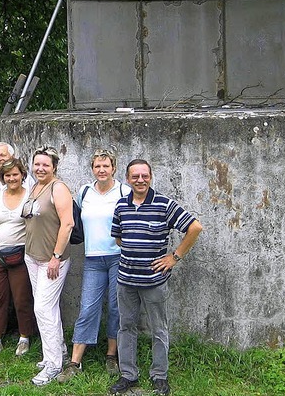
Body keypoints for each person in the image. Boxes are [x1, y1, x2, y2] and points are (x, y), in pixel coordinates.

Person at [109, 159, 203, 396]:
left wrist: (174, 257)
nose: (140, 180)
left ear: (150, 177)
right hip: (126, 280)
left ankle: (159, 375)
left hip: (154, 281)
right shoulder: (121, 205)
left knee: (158, 329)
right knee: (126, 326)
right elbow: (119, 238)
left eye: (144, 176)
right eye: (135, 176)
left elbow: (195, 227)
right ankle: (128, 375)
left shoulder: (164, 204)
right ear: (128, 179)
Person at [58, 149, 131, 383]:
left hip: (118, 257)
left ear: (114, 168)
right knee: (88, 307)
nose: (101, 170)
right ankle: (74, 362)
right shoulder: (85, 192)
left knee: (115, 308)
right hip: (92, 259)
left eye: (106, 166)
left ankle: (112, 355)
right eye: (97, 166)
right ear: (92, 169)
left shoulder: (124, 191)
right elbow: (73, 216)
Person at [23, 145, 74, 386]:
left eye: (46, 164)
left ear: (54, 167)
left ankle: (53, 366)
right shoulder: (35, 187)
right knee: (46, 309)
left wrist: (56, 256)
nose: (40, 168)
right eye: (37, 164)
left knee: (43, 309)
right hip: (32, 257)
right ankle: (57, 352)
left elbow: (67, 224)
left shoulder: (58, 188)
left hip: (52, 261)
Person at [0, 158, 35, 359]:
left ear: (22, 175)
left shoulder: (30, 197)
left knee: (22, 298)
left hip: (21, 255)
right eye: (7, 175)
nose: (11, 178)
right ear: (2, 177)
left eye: (15, 174)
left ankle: (24, 338)